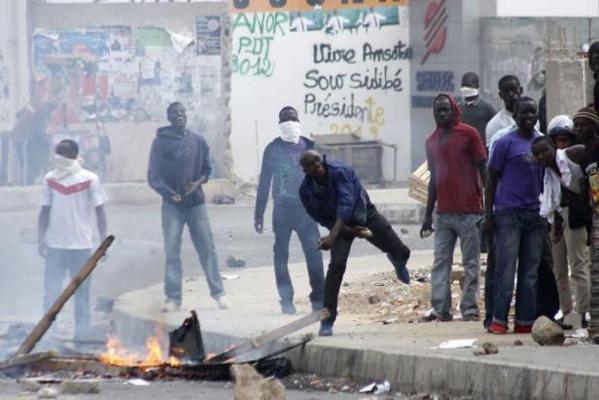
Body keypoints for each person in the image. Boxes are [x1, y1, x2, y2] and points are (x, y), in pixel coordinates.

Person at [299, 150, 411, 336]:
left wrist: (332, 236)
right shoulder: (305, 191)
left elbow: (346, 204)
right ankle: (327, 320)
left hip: (363, 214)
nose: (317, 166)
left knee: (402, 251)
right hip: (339, 226)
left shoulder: (341, 172)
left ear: (322, 159)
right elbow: (319, 217)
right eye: (311, 164)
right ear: (305, 170)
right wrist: (345, 232)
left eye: (318, 160)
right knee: (336, 266)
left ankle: (397, 259)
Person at [148, 102, 230, 312]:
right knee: (172, 250)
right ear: (169, 117)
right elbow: (153, 176)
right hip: (172, 206)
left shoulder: (198, 141)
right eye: (175, 113)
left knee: (207, 248)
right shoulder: (160, 143)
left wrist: (198, 183)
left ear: (187, 115)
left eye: (182, 112)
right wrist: (169, 192)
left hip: (196, 204)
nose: (179, 115)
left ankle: (219, 293)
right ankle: (173, 298)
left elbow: (207, 169)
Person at [420, 94, 487, 322]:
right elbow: (434, 179)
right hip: (444, 213)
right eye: (438, 111)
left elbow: (483, 169)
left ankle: (469, 309)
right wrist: (427, 215)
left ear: (454, 110)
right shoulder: (431, 141)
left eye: (446, 110)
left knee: (471, 263)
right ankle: (441, 309)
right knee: (441, 262)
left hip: (470, 211)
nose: (442, 115)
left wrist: (489, 204)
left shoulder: (469, 134)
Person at [254, 107, 325, 315]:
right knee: (281, 254)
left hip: (306, 210)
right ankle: (286, 300)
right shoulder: (273, 149)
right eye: (285, 119)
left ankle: (318, 299)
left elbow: (322, 180)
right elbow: (264, 182)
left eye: (293, 118)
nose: (290, 122)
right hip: (282, 210)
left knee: (314, 254)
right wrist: (259, 214)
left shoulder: (310, 147)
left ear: (299, 121)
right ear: (280, 123)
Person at [483, 97, 545, 334]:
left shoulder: (541, 143)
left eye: (532, 114)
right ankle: (499, 320)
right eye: (524, 114)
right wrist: (489, 216)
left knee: (529, 273)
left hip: (535, 215)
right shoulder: (504, 143)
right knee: (505, 271)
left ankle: (524, 322)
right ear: (515, 116)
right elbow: (491, 182)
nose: (528, 118)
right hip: (508, 215)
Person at [38, 139, 107, 340]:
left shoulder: (90, 179)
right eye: (58, 153)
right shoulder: (49, 179)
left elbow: (100, 212)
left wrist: (103, 242)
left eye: (64, 154)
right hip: (55, 246)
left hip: (81, 247)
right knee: (51, 293)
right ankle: (47, 335)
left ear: (75, 155)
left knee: (82, 295)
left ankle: (82, 336)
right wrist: (41, 238)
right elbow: (45, 210)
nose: (60, 158)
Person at [531, 118, 591, 328]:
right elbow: (550, 202)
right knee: (559, 269)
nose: (541, 157)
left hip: (574, 214)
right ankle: (567, 313)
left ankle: (583, 313)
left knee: (577, 265)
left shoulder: (567, 157)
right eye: (537, 154)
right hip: (556, 218)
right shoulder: (546, 172)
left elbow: (586, 149)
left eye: (544, 152)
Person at [458, 72, 496, 147]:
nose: (465, 88)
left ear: (477, 86)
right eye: (463, 85)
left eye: (468, 85)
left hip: (481, 150)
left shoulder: (487, 107)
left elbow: (495, 128)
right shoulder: (458, 107)